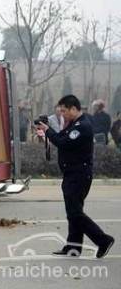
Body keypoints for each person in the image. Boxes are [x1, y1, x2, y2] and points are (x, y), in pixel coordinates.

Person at [35, 95, 114, 258]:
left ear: (73, 108)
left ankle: (103, 240)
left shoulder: (82, 126)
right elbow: (61, 137)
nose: (62, 114)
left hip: (79, 175)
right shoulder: (74, 124)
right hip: (73, 174)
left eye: (64, 111)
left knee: (75, 213)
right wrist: (48, 129)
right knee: (74, 211)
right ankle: (73, 247)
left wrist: (47, 130)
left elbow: (63, 143)